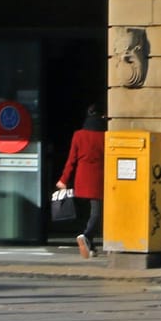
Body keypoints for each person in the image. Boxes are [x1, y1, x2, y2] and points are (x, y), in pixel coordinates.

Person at [57, 104, 106, 258]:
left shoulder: (79, 135)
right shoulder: (106, 135)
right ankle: (86, 236)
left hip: (81, 178)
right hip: (98, 178)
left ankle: (90, 245)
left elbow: (71, 160)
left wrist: (63, 179)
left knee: (86, 212)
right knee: (97, 212)